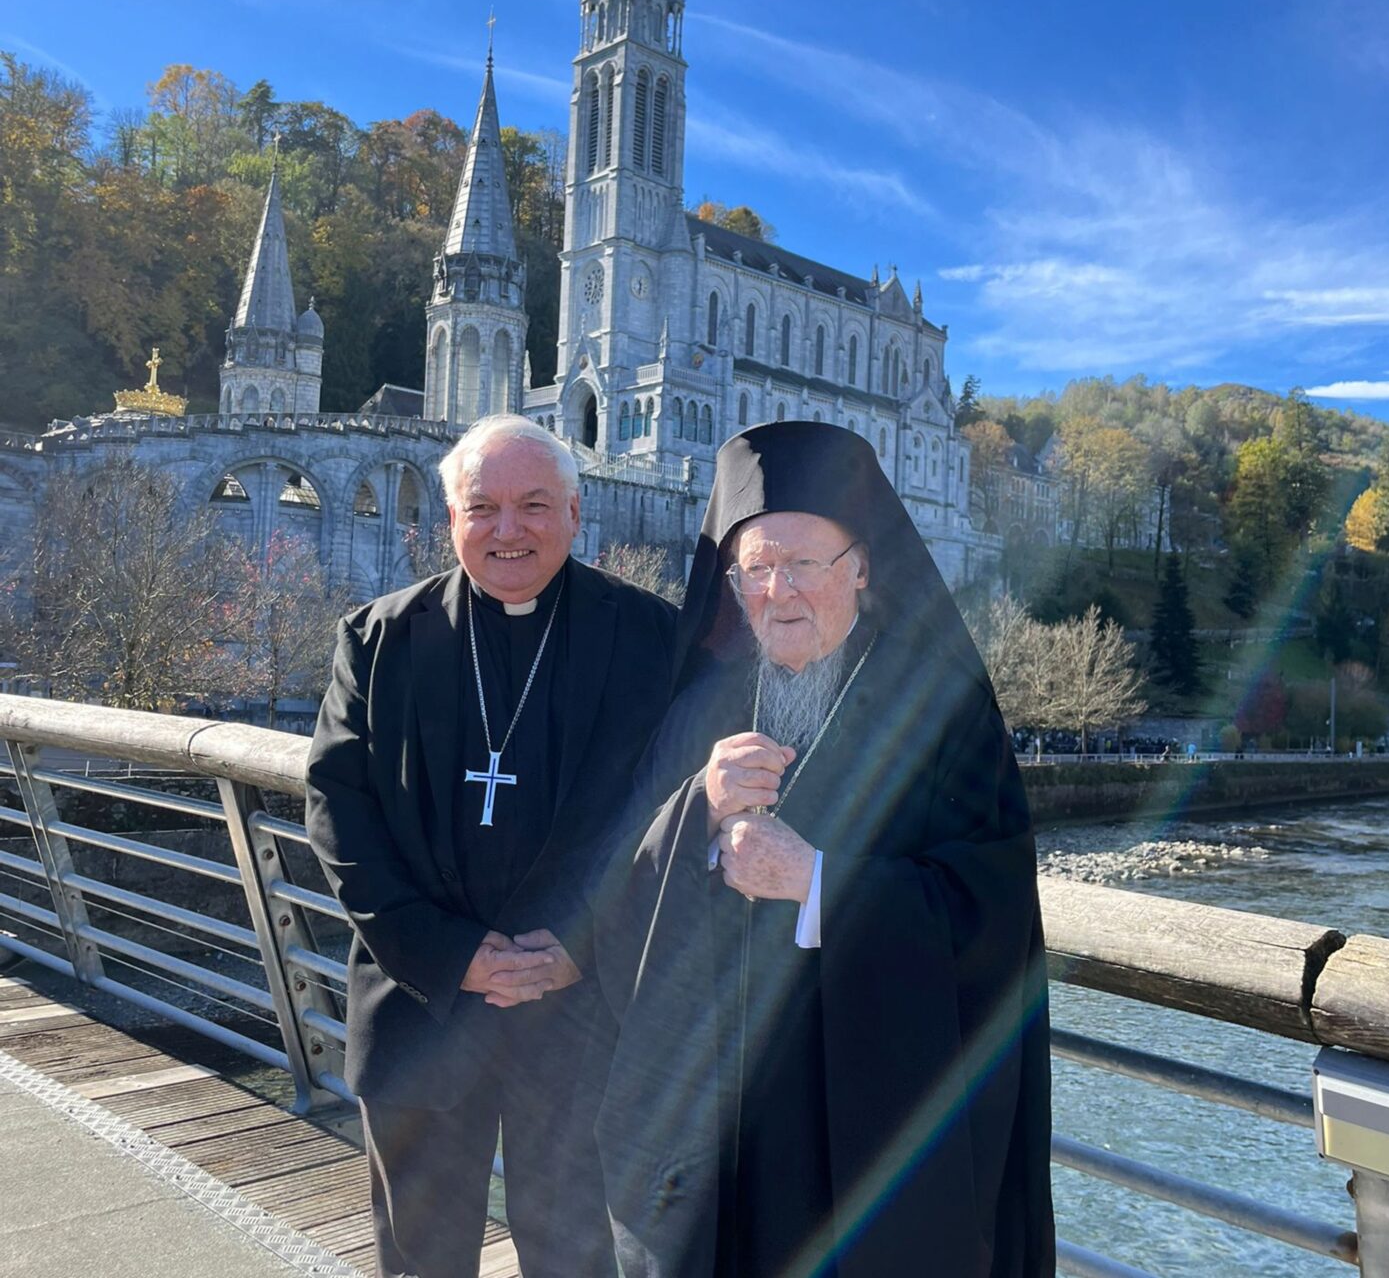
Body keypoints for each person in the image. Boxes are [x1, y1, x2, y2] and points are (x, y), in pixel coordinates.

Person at [594, 421, 1054, 1278]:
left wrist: (818, 884)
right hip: (713, 1119)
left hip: (866, 1119)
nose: (780, 592)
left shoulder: (941, 709)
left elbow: (990, 910)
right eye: (756, 569)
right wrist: (696, 808)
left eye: (807, 564)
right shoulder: (700, 705)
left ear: (864, 569)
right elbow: (617, 884)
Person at [306, 415, 677, 1278]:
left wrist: (580, 947)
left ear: (578, 515)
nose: (508, 530)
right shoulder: (377, 641)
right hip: (422, 1007)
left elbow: (668, 818)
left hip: (582, 1018)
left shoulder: (654, 641)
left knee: (579, 1257)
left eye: (535, 506)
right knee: (420, 1259)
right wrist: (451, 956)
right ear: (452, 521)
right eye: (484, 509)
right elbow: (340, 817)